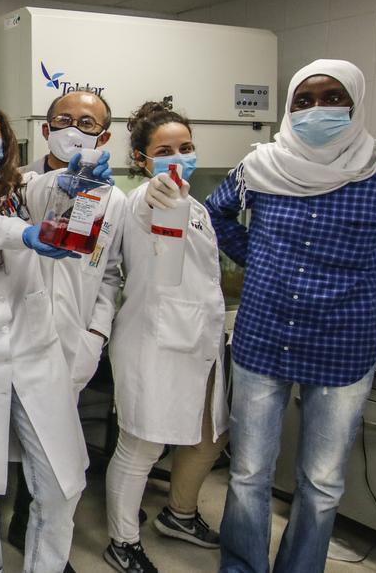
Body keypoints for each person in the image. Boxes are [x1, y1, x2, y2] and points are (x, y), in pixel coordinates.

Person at [207, 59, 376, 573]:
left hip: (345, 341)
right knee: (249, 471)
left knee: (321, 482)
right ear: (290, 107)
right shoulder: (261, 165)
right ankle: (241, 567)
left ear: (356, 102)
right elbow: (213, 212)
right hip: (265, 335)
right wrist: (257, 257)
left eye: (333, 98)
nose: (319, 109)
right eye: (305, 99)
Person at [0, 90, 123, 573]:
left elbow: (53, 193)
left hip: (34, 350)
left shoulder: (25, 188)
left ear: (9, 142)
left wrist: (78, 182)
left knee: (62, 481)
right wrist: (24, 234)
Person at [103, 101, 229, 573]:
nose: (178, 158)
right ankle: (122, 542)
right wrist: (159, 186)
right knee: (140, 448)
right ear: (142, 159)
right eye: (165, 151)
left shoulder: (194, 206)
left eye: (187, 147)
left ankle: (178, 516)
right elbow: (152, 203)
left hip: (195, 340)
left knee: (206, 435)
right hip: (153, 342)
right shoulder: (145, 199)